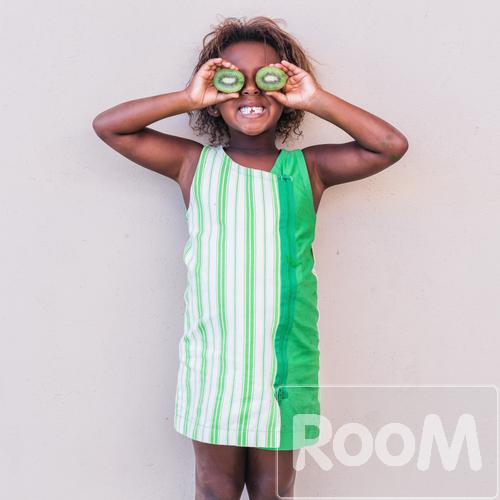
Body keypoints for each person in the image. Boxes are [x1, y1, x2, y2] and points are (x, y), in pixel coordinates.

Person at [92, 15, 409, 500]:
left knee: (273, 491)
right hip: (213, 365)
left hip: (285, 365)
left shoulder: (309, 169)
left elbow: (389, 146)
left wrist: (315, 97)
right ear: (214, 93)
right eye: (231, 79)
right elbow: (110, 127)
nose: (249, 92)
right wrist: (189, 97)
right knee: (214, 489)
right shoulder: (193, 164)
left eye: (266, 78)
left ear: (286, 90)